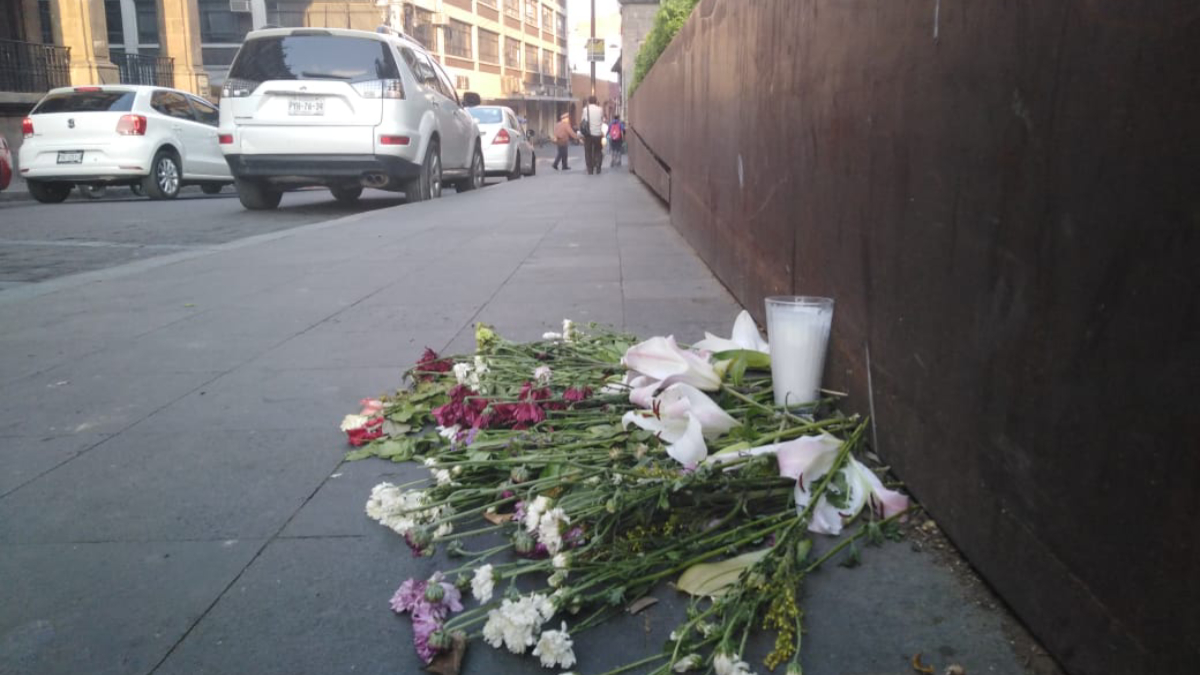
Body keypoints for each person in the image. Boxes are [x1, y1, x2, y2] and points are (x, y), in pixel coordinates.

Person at [580, 95, 605, 175]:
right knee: (598, 150)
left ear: (589, 101)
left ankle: (590, 170)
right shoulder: (600, 109)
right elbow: (602, 120)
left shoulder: (585, 109)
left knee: (588, 151)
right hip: (597, 134)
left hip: (589, 134)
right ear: (596, 101)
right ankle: (598, 167)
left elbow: (582, 121)